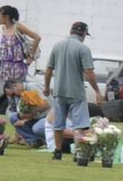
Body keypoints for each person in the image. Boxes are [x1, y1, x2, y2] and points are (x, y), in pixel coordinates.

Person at [43, 22, 103, 158]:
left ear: (71, 31)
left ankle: (57, 151)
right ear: (83, 34)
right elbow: (89, 72)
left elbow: (49, 69)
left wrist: (46, 87)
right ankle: (79, 152)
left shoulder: (57, 46)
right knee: (80, 125)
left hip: (59, 91)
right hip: (76, 91)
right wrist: (97, 91)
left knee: (58, 124)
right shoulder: (83, 48)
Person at [0, 5, 40, 82]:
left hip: (17, 66)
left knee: (17, 90)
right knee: (8, 91)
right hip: (5, 66)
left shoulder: (17, 27)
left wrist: (31, 57)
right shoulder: (3, 28)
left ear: (6, 17)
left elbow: (37, 37)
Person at [5, 80, 48, 146]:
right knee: (13, 117)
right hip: (35, 118)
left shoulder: (32, 87)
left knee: (37, 128)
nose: (14, 97)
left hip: (47, 117)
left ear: (15, 86)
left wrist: (25, 120)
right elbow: (22, 113)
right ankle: (34, 140)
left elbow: (45, 105)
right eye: (12, 96)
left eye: (13, 94)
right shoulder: (19, 95)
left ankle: (47, 140)